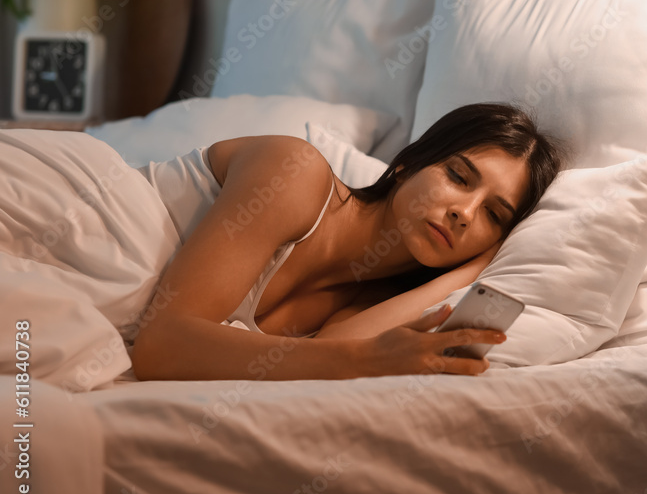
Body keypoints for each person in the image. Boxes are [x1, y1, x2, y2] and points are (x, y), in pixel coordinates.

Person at [131, 102, 567, 382]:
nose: (464, 213)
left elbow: (319, 362)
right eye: (457, 176)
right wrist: (366, 360)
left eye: (493, 215)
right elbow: (160, 346)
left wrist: (473, 268)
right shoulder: (294, 173)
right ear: (407, 164)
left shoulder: (364, 303)